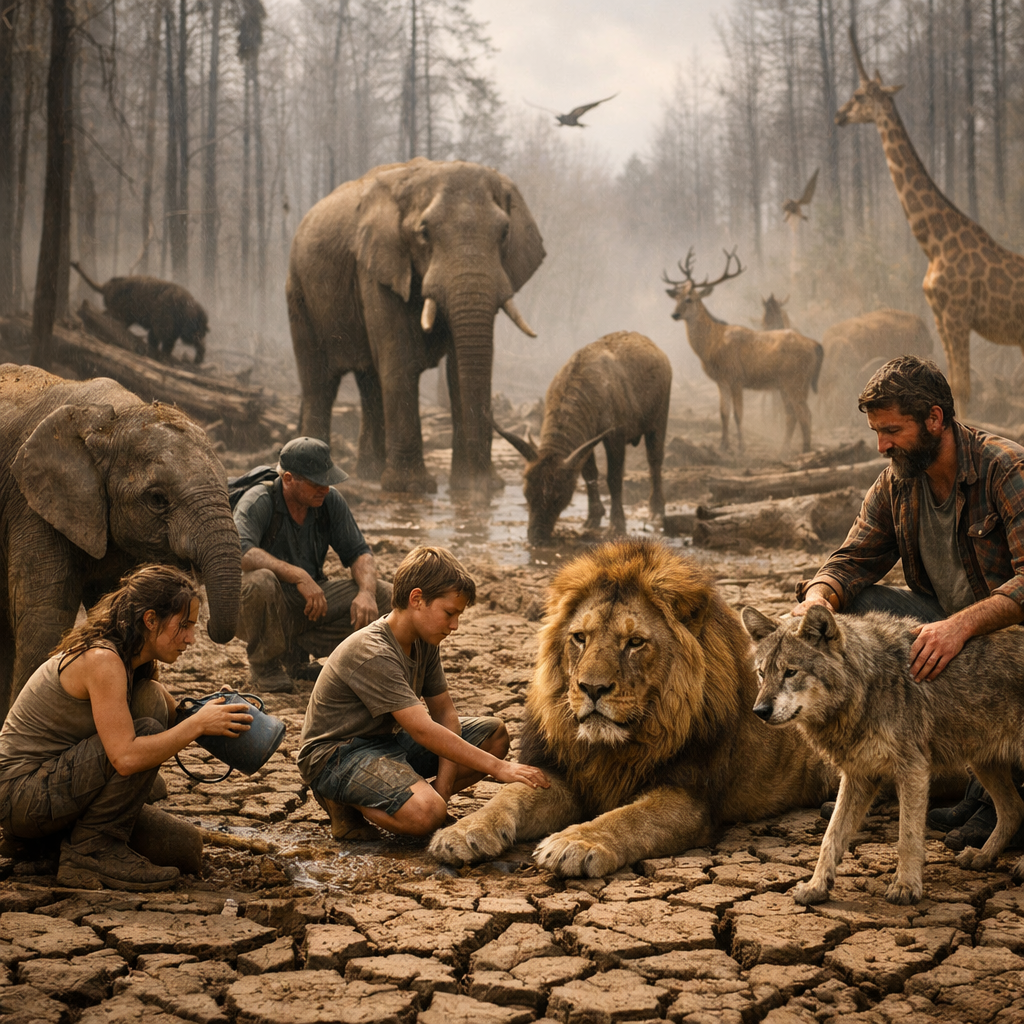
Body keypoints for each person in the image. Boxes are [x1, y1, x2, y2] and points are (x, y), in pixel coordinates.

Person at [793, 355, 1024, 851]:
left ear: (934, 419)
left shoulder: (1005, 468)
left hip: (1007, 637)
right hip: (943, 625)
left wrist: (961, 627)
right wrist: (817, 601)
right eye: (877, 432)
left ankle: (995, 794)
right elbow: (851, 561)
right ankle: (876, 762)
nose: (882, 446)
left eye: (892, 431)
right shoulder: (897, 480)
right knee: (845, 616)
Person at [0, 564, 254, 892]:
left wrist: (210, 711)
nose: (191, 639)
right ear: (150, 620)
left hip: (49, 788)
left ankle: (48, 844)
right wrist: (196, 724)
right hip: (20, 797)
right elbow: (126, 758)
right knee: (145, 733)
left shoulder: (131, 659)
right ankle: (91, 851)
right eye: (184, 626)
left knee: (184, 848)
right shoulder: (103, 660)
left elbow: (172, 713)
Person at [297, 546, 549, 841]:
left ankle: (414, 799)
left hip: (386, 742)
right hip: (338, 755)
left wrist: (442, 793)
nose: (455, 626)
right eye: (449, 613)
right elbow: (422, 729)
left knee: (494, 736)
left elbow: (445, 714)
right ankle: (342, 801)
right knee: (427, 813)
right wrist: (499, 768)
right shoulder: (373, 650)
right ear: (416, 599)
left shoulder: (424, 640)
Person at [233, 436, 392, 694]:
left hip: (309, 604)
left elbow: (359, 553)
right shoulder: (259, 500)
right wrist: (298, 575)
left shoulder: (329, 501)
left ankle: (298, 655)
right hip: (259, 604)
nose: (325, 489)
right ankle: (265, 666)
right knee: (261, 581)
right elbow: (240, 552)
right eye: (316, 483)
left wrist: (366, 593)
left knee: (386, 595)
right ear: (288, 479)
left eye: (327, 481)